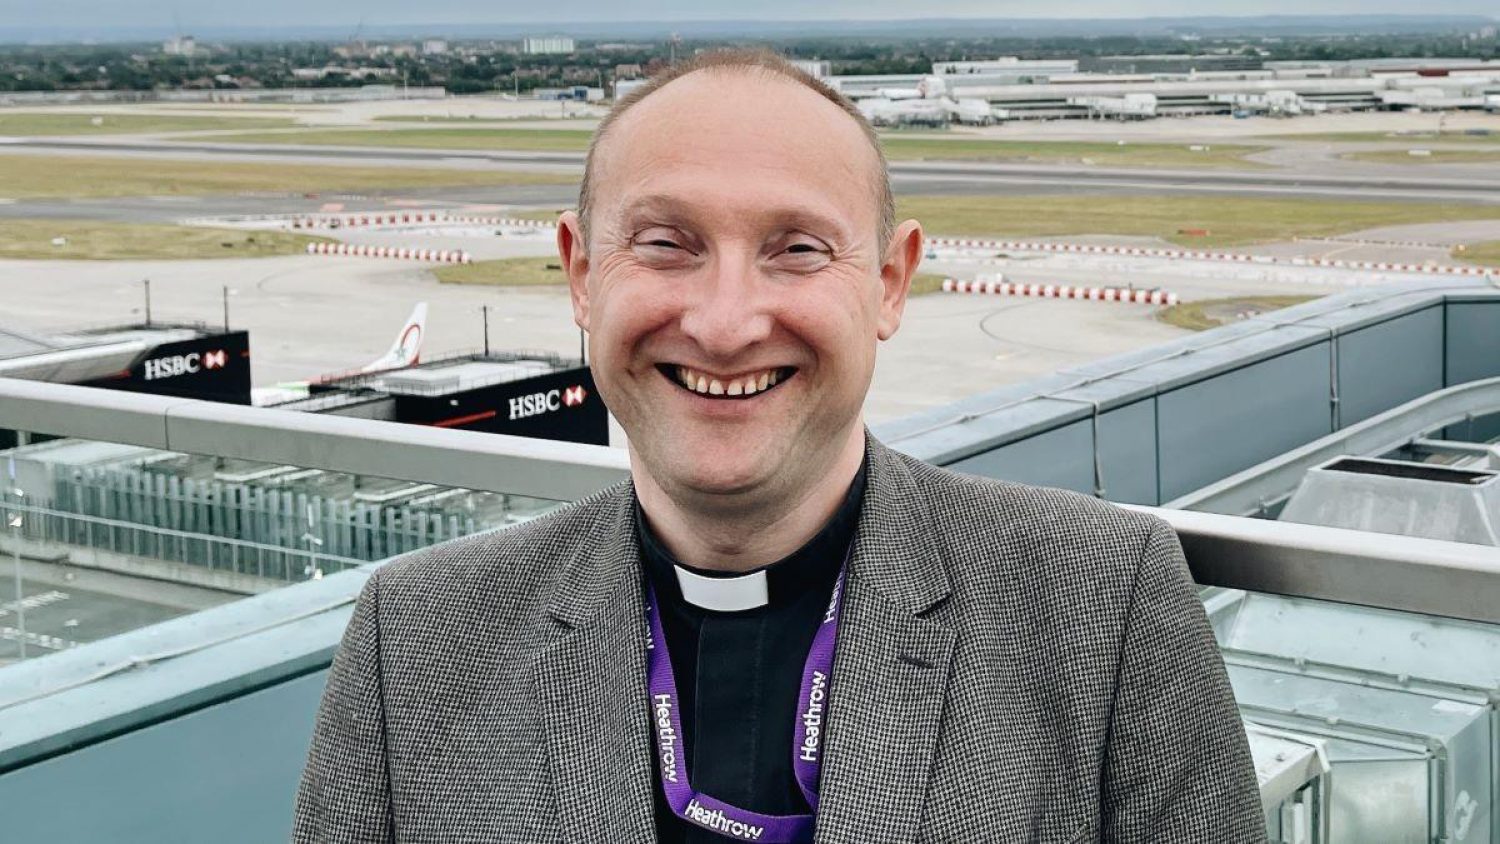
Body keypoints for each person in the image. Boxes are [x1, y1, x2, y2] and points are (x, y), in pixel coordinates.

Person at [293, 50, 1265, 843]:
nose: (724, 325)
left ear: (889, 283)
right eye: (667, 243)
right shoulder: (413, 641)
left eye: (797, 248)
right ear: (582, 276)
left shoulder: (1104, 605)